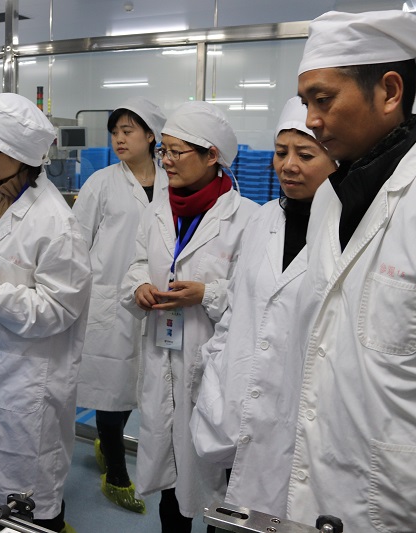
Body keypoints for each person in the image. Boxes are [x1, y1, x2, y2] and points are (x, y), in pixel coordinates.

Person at [288, 10, 416, 530]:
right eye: (305, 103)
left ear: (389, 91)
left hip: (390, 499)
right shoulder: (331, 197)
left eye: (323, 99)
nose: (311, 119)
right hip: (314, 479)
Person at [0, 93, 92, 533]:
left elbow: (60, 307)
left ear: (21, 157)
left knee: (29, 494)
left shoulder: (56, 224)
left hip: (29, 381)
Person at [189, 97, 336, 517]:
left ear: (335, 159)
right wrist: (215, 372)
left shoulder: (346, 231)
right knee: (228, 513)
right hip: (236, 406)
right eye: (281, 151)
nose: (288, 165)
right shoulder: (264, 218)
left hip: (300, 419)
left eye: (305, 154)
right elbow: (237, 308)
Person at [120, 101, 258, 532]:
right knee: (169, 472)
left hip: (214, 366)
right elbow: (138, 263)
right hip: (162, 354)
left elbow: (256, 301)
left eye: (176, 152)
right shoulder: (158, 209)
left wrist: (206, 294)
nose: (165, 160)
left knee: (217, 480)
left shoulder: (248, 219)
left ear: (211, 155)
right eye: (163, 150)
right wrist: (139, 286)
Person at [72, 97, 167, 513]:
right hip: (108, 299)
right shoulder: (101, 183)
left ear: (151, 135)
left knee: (138, 386)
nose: (119, 139)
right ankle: (115, 471)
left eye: (128, 131)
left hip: (155, 301)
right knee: (110, 388)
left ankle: (105, 443)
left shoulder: (171, 181)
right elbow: (76, 243)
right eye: (115, 132)